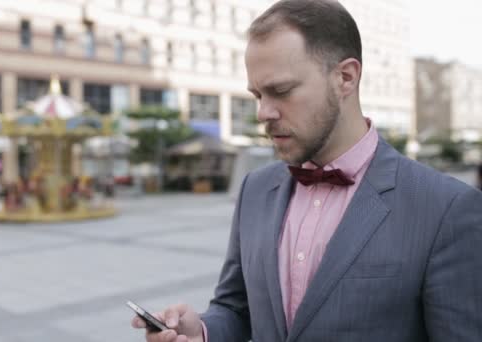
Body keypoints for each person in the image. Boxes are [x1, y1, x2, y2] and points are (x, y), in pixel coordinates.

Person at [131, 0, 482, 341]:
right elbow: (237, 310)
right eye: (257, 95)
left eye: (280, 91)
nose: (263, 113)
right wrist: (203, 332)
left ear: (345, 77)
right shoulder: (255, 189)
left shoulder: (447, 209)